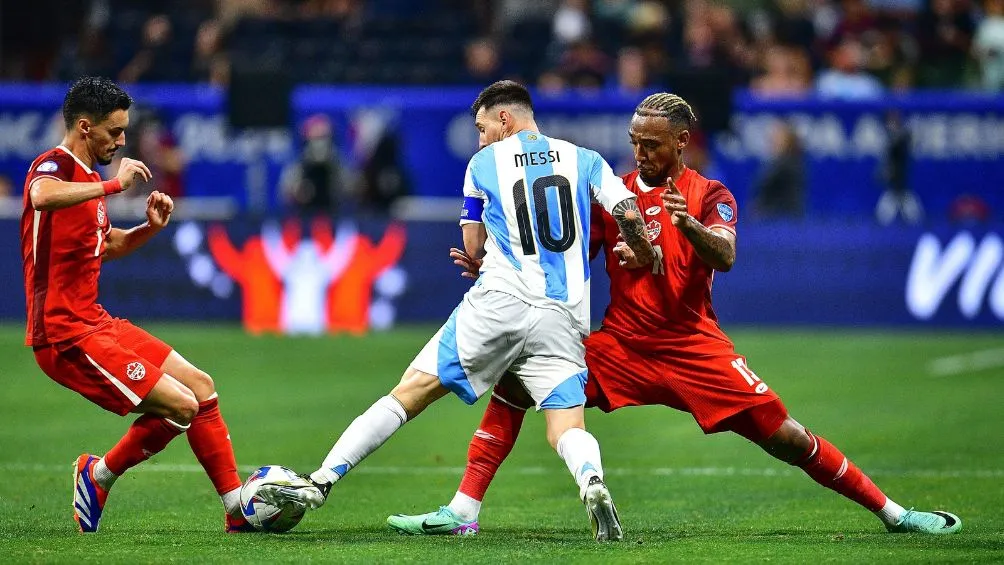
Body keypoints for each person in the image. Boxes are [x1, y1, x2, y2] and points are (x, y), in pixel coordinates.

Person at [386, 92, 963, 537]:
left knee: (786, 437)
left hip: (693, 348)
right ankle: (463, 510)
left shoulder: (710, 195)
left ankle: (894, 513)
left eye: (653, 144)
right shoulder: (612, 193)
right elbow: (562, 254)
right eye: (636, 142)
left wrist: (687, 225)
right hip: (622, 347)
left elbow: (726, 256)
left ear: (681, 142)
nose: (641, 154)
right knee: (515, 380)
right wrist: (491, 263)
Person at [261, 80, 655, 541]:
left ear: (504, 118)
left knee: (409, 393)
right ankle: (591, 481)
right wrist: (644, 252)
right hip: (564, 315)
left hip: (501, 301)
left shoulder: (484, 164)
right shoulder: (585, 159)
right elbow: (628, 210)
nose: (480, 139)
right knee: (566, 425)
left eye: (482, 128)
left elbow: (473, 244)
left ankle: (321, 480)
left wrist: (482, 258)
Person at [20, 77, 253, 534]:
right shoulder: (55, 165)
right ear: (84, 127)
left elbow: (106, 246)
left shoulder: (89, 181)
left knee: (201, 387)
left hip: (94, 320)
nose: (122, 140)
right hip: (63, 334)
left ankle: (236, 508)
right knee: (182, 406)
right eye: (114, 131)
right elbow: (40, 196)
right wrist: (114, 186)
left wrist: (150, 228)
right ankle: (99, 475)